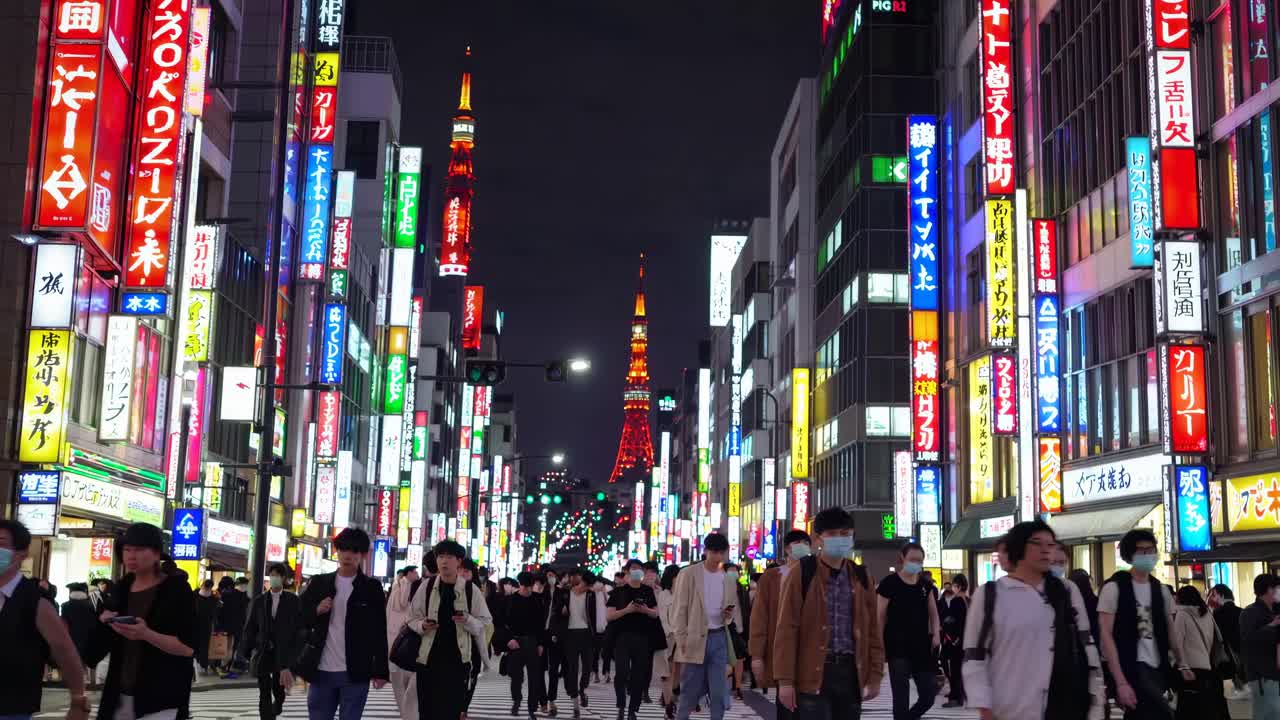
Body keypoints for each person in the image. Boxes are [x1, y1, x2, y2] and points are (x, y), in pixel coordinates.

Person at [962, 521, 1103, 720]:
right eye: (1037, 543)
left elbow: (1087, 647)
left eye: (1051, 544)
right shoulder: (990, 595)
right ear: (1018, 547)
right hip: (1011, 708)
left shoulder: (1067, 591)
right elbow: (974, 657)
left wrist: (1096, 700)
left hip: (1065, 704)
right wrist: (984, 706)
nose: (1046, 550)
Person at [773, 507, 883, 720]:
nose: (839, 539)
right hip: (813, 671)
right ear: (819, 538)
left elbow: (872, 630)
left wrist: (876, 674)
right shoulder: (802, 572)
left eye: (845, 534)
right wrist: (785, 680)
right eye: (832, 534)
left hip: (851, 672)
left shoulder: (861, 575)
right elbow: (787, 627)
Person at [87, 522, 196, 720]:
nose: (131, 555)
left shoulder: (176, 590)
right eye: (127, 550)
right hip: (119, 695)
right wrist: (104, 623)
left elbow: (188, 647)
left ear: (156, 554)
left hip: (160, 698)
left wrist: (146, 634)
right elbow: (96, 649)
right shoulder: (121, 589)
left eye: (138, 549)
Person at [0, 520, 89, 720]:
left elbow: (65, 650)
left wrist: (78, 698)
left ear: (21, 553)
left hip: (10, 707)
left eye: (2, 543)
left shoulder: (35, 601)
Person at [297, 527, 389, 720]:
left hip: (356, 670)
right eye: (343, 549)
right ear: (336, 551)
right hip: (321, 668)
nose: (348, 555)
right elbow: (299, 618)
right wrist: (316, 610)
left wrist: (381, 670)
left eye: (354, 551)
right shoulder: (319, 583)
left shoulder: (371, 588)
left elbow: (379, 631)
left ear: (363, 555)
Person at [1098, 529, 1180, 720]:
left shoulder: (1161, 590)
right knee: (1158, 713)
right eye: (1141, 551)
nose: (1148, 555)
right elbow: (1106, 635)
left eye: (1151, 550)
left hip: (1159, 667)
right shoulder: (1114, 588)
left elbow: (1170, 630)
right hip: (1131, 666)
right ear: (1129, 555)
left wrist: (1182, 663)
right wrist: (1120, 681)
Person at [407, 540, 493, 720]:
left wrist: (467, 620)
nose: (444, 561)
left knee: (452, 713)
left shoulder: (471, 590)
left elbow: (485, 623)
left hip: (457, 662)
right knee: (427, 713)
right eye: (440, 557)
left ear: (459, 561)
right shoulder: (427, 586)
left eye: (449, 557)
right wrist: (422, 625)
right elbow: (411, 618)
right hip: (428, 660)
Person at [671, 535, 737, 720]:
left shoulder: (727, 578)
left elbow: (731, 609)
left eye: (721, 553)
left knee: (718, 692)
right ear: (706, 551)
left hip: (718, 636)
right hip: (694, 637)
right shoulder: (689, 574)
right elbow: (679, 609)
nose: (718, 556)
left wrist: (728, 615)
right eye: (714, 552)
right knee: (689, 692)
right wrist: (681, 638)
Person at [749, 529, 810, 720]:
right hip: (781, 649)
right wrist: (757, 655)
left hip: (810, 650)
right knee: (785, 703)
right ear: (787, 549)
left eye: (805, 543)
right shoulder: (772, 577)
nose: (802, 546)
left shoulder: (817, 575)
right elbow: (760, 617)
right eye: (797, 542)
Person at [877, 542, 941, 720]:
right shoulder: (889, 583)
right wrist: (879, 645)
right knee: (901, 699)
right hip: (897, 648)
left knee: (928, 695)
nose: (916, 563)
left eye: (919, 560)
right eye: (912, 559)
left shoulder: (925, 586)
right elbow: (879, 617)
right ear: (902, 559)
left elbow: (934, 614)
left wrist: (936, 633)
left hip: (921, 646)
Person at [241, 564, 301, 720]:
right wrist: (246, 650)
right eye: (272, 574)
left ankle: (279, 703)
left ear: (283, 578)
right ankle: (267, 717)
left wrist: (295, 653)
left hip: (282, 651)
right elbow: (251, 626)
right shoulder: (260, 600)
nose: (274, 578)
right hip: (263, 650)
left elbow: (298, 627)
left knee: (278, 687)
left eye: (277, 575)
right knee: (264, 690)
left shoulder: (292, 600)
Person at [609, 558, 661, 720]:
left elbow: (655, 613)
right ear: (627, 570)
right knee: (622, 673)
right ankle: (621, 705)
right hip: (622, 638)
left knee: (639, 676)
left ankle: (632, 709)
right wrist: (627, 610)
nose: (637, 571)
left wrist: (645, 610)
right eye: (634, 568)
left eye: (640, 568)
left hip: (643, 638)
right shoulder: (619, 591)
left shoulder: (647, 591)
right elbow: (609, 616)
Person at [1169, 585, 1228, 720]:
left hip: (1189, 669)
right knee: (1203, 707)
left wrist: (1181, 666)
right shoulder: (1207, 614)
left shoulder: (1182, 615)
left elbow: (1177, 643)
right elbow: (1216, 639)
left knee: (1186, 708)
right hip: (1207, 667)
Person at [503, 572, 549, 719]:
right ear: (520, 585)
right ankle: (516, 700)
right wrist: (509, 639)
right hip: (516, 641)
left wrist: (541, 643)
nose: (528, 590)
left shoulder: (537, 600)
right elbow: (503, 623)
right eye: (525, 587)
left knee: (534, 677)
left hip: (533, 642)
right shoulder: (510, 600)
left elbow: (542, 624)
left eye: (530, 587)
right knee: (516, 676)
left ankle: (531, 709)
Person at [553, 568, 598, 717]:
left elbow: (594, 617)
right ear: (582, 581)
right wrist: (562, 611)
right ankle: (575, 705)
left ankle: (582, 689)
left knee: (587, 667)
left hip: (586, 634)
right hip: (570, 634)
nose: (587, 589)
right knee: (572, 668)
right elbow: (556, 611)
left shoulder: (591, 595)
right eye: (586, 585)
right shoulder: (565, 593)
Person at [1240, 573, 1280, 720]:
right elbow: (1248, 640)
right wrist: (1272, 625)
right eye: (1277, 588)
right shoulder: (1250, 612)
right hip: (1263, 676)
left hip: (1273, 673)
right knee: (1268, 714)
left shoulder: (1274, 610)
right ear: (1269, 590)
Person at [386, 567, 421, 719]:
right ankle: (406, 714)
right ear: (409, 574)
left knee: (399, 681)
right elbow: (402, 603)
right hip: (401, 637)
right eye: (415, 572)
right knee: (403, 682)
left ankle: (405, 713)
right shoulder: (404, 584)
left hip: (394, 638)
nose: (417, 575)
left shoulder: (396, 586)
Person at [1208, 583, 1247, 699]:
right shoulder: (1241, 610)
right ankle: (1243, 687)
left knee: (1233, 666)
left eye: (1214, 595)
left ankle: (1240, 688)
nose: (1212, 598)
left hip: (1227, 647)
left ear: (1221, 595)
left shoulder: (1217, 613)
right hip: (1242, 646)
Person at [938, 574, 969, 708]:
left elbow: (951, 621)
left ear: (959, 586)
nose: (953, 588)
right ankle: (959, 694)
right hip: (965, 640)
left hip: (954, 641)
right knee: (959, 668)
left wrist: (948, 635)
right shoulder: (968, 600)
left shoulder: (957, 601)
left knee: (953, 668)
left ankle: (956, 697)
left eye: (954, 585)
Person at [722, 562, 751, 701]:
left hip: (739, 628)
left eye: (736, 571)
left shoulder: (742, 590)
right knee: (725, 660)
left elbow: (746, 609)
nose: (734, 573)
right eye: (731, 570)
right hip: (724, 627)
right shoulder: (720, 588)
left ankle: (738, 687)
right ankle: (722, 687)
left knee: (739, 658)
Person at [658, 564, 682, 719]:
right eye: (677, 576)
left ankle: (670, 696)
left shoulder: (684, 594)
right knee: (666, 673)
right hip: (667, 637)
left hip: (682, 637)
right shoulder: (664, 595)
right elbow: (662, 616)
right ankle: (669, 705)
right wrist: (669, 632)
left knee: (676, 671)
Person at [60, 582, 98, 679]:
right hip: (87, 636)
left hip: (70, 636)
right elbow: (94, 623)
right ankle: (88, 679)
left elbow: (64, 622)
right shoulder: (91, 605)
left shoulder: (65, 605)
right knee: (85, 658)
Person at [541, 566, 564, 717]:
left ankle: (552, 701)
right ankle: (543, 700)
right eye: (548, 575)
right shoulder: (540, 593)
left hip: (555, 634)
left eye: (552, 575)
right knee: (539, 669)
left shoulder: (562, 593)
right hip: (541, 635)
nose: (550, 578)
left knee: (553, 669)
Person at [593, 575, 611, 683]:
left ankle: (606, 672)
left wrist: (604, 592)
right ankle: (595, 673)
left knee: (606, 652)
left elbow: (609, 604)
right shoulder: (591, 592)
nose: (598, 585)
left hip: (606, 625)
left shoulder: (608, 589)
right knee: (595, 652)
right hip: (594, 627)